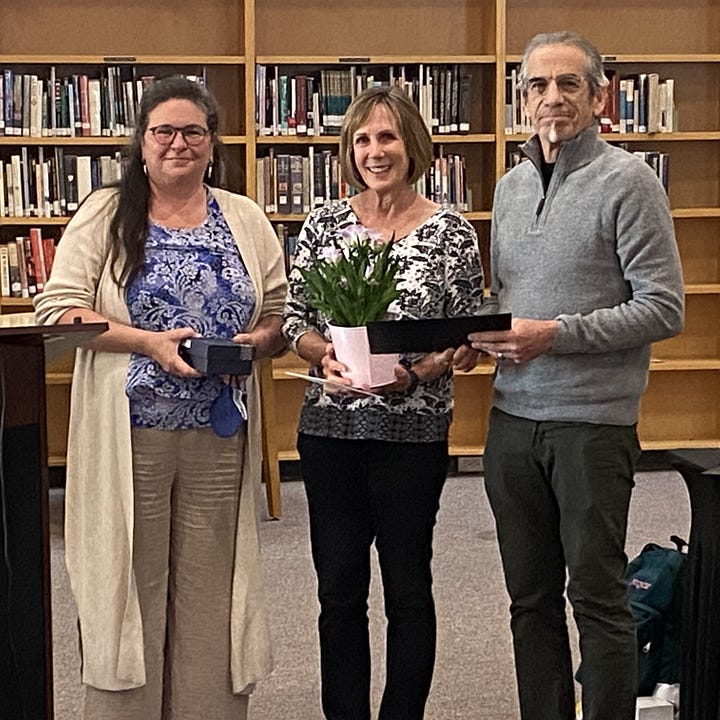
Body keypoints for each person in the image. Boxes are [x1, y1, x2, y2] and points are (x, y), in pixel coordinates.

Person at [34, 76, 287, 719]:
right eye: (164, 132)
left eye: (193, 132)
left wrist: (252, 343)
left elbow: (281, 316)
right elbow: (60, 310)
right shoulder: (105, 213)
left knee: (209, 591)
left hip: (219, 435)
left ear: (212, 142)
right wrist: (146, 342)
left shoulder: (245, 218)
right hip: (129, 437)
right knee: (131, 586)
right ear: (141, 143)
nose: (179, 144)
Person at [468, 32, 685, 720]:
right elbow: (508, 296)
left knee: (597, 598)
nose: (551, 98)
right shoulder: (509, 187)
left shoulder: (629, 181)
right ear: (522, 98)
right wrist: (470, 334)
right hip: (511, 425)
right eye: (537, 86)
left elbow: (662, 307)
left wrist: (555, 335)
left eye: (568, 84)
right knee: (529, 601)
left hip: (591, 428)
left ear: (599, 96)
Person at [282, 85, 485, 720]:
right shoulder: (323, 224)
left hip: (412, 436)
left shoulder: (451, 232)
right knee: (339, 591)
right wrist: (325, 357)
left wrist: (418, 372)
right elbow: (294, 321)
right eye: (363, 139)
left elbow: (465, 332)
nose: (376, 151)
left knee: (407, 587)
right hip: (331, 433)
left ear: (412, 145)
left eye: (388, 137)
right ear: (350, 150)